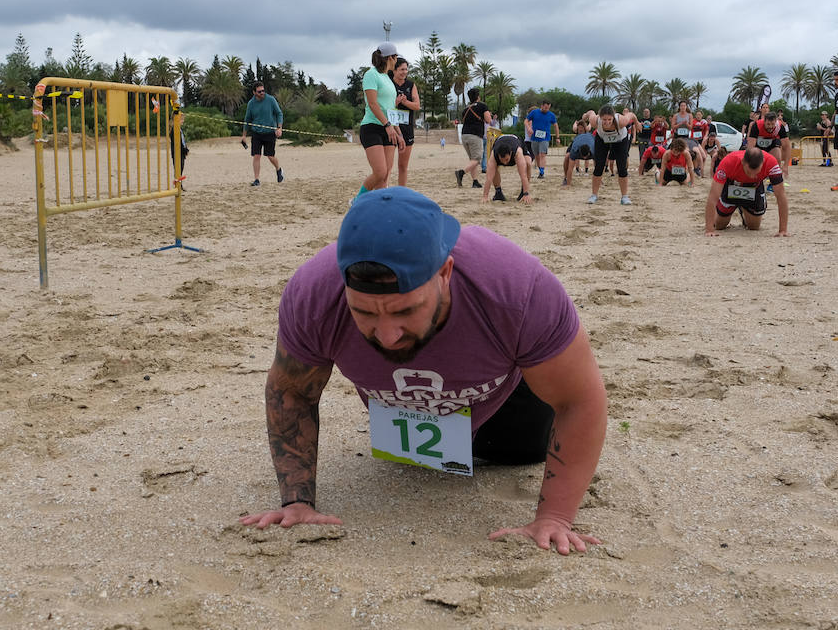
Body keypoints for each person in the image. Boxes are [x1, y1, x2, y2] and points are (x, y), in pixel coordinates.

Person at [238, 188, 608, 556]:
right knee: (413, 458)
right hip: (400, 412)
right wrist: (296, 502)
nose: (387, 336)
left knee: (527, 448)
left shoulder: (516, 289)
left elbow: (579, 399)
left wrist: (555, 517)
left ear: (445, 272)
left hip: (506, 408)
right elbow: (292, 391)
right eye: (364, 313)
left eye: (404, 311)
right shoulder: (313, 295)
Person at [704, 146, 789, 236]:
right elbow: (713, 197)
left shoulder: (771, 163)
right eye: (748, 172)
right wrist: (709, 230)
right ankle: (735, 206)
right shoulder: (728, 162)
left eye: (756, 173)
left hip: (755, 186)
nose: (752, 176)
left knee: (754, 227)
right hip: (732, 184)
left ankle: (743, 209)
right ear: (743, 162)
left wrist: (782, 230)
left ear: (763, 163)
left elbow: (781, 196)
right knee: (720, 225)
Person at [357, 42, 406, 197]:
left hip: (389, 129)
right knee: (379, 172)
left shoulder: (387, 79)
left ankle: (378, 210)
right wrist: (387, 125)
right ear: (390, 58)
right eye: (396, 56)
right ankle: (358, 201)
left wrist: (399, 133)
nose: (397, 59)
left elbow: (391, 109)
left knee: (385, 177)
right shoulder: (371, 74)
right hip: (372, 127)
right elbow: (372, 103)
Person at [587, 105, 637, 205]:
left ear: (613, 117)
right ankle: (594, 195)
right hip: (602, 139)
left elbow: (631, 115)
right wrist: (585, 115)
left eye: (609, 119)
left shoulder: (621, 121)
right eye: (604, 119)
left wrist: (638, 123)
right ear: (600, 117)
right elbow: (591, 112)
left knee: (622, 168)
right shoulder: (595, 121)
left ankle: (624, 197)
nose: (607, 122)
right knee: (599, 166)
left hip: (620, 140)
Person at [240, 81, 283, 187]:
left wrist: (279, 128)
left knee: (270, 156)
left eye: (263, 91)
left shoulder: (271, 100)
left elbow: (279, 113)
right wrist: (244, 135)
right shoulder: (251, 103)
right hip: (256, 133)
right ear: (254, 92)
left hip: (269, 132)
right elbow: (247, 119)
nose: (262, 93)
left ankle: (278, 169)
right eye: (259, 91)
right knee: (256, 156)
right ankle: (257, 179)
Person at [387, 57, 420, 187]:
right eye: (401, 69)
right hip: (390, 128)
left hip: (407, 128)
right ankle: (385, 190)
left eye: (406, 69)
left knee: (403, 165)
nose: (404, 72)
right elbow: (384, 105)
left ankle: (402, 192)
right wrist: (395, 103)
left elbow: (417, 106)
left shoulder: (411, 85)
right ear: (394, 70)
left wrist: (405, 102)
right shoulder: (388, 84)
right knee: (387, 166)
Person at [482, 133, 536, 203]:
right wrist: (485, 196)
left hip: (516, 140)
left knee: (528, 163)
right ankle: (498, 192)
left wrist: (526, 194)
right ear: (498, 155)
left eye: (507, 159)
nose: (505, 163)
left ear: (510, 153)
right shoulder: (494, 155)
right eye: (502, 160)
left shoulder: (517, 152)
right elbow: (489, 178)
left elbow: (523, 175)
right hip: (499, 140)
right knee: (493, 168)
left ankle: (523, 191)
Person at [455, 87, 490, 188]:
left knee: (472, 160)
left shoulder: (466, 109)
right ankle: (461, 173)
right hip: (475, 135)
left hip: (464, 135)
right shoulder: (482, 106)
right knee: (477, 159)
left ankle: (475, 181)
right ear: (478, 96)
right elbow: (488, 120)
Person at [525, 99, 559, 178]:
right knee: (536, 155)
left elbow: (556, 126)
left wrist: (557, 137)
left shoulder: (551, 115)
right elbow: (526, 121)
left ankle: (542, 172)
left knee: (542, 155)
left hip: (545, 138)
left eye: (548, 108)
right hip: (534, 137)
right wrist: (529, 128)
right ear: (542, 106)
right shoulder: (534, 112)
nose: (547, 109)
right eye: (545, 107)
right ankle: (540, 170)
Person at [563, 110, 596, 185]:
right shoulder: (575, 150)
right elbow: (570, 169)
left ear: (584, 128)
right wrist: (568, 184)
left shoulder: (594, 150)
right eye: (579, 127)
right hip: (576, 143)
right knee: (567, 157)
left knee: (598, 162)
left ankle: (599, 179)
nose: (580, 129)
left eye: (582, 127)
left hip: (589, 143)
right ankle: (565, 177)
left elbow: (599, 166)